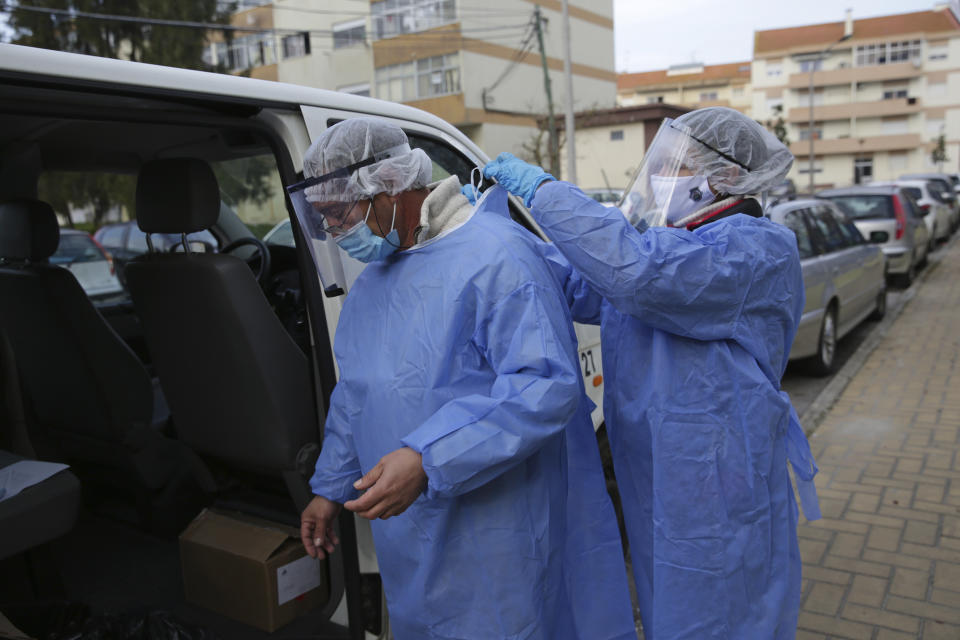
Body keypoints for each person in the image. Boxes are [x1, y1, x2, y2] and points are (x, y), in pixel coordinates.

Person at [481, 107, 821, 640]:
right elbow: (584, 285)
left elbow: (638, 275)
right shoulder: (670, 241)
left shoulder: (755, 247)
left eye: (679, 165)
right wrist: (497, 244)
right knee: (672, 601)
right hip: (662, 470)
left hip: (718, 470)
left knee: (727, 608)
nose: (664, 176)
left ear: (726, 177)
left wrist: (543, 191)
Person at [291, 118, 636, 640]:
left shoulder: (497, 255)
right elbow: (357, 395)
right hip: (411, 538)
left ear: (390, 185)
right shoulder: (370, 288)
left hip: (496, 540)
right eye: (325, 220)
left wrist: (430, 456)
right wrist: (330, 488)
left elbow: (545, 385)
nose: (336, 232)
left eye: (341, 214)